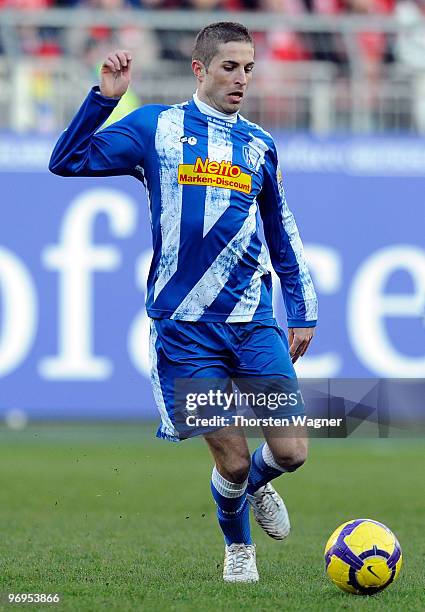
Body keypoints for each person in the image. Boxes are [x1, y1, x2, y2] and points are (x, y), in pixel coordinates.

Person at [49, 21, 318, 583]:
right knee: (234, 459)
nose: (241, 79)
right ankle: (238, 549)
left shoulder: (261, 146)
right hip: (185, 329)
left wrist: (303, 307)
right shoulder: (157, 128)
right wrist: (104, 99)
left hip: (253, 321)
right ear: (200, 69)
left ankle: (251, 491)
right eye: (229, 67)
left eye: (248, 68)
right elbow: (67, 160)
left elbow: (282, 232)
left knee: (291, 451)